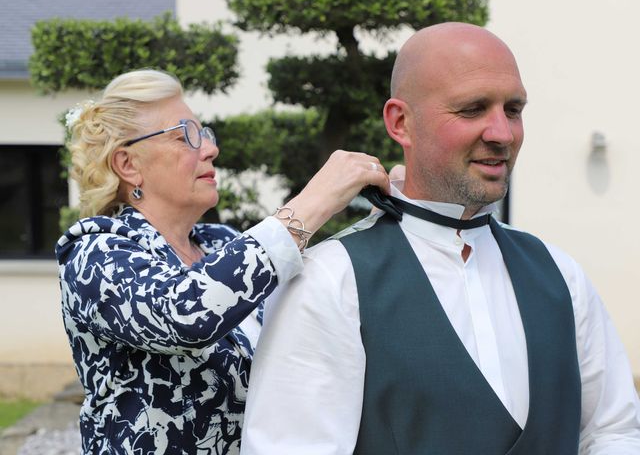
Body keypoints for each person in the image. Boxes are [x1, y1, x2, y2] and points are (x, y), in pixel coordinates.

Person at [240, 23, 640, 454]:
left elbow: (611, 431)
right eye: (472, 109)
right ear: (401, 123)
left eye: (513, 109)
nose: (502, 134)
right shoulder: (330, 280)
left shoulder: (562, 275)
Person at [55, 68, 390, 454]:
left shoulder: (221, 244)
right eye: (185, 136)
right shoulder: (93, 255)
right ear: (128, 165)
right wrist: (317, 198)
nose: (210, 149)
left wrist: (387, 221)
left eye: (205, 133)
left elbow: (315, 295)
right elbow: (185, 314)